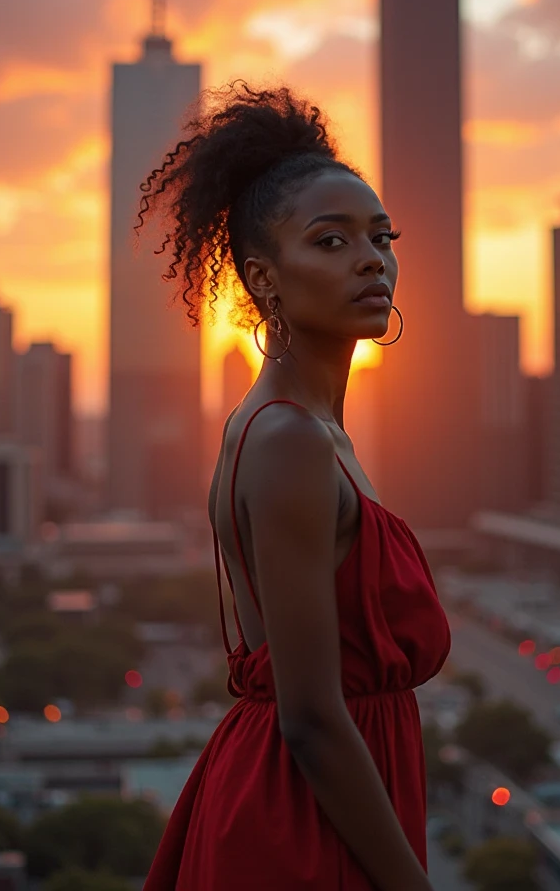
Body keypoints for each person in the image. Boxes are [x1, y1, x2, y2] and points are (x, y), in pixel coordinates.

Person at [136, 80, 451, 890]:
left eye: (381, 236)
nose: (371, 259)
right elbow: (312, 718)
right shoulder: (288, 441)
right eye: (331, 241)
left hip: (321, 800)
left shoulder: (306, 429)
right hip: (301, 827)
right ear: (264, 277)